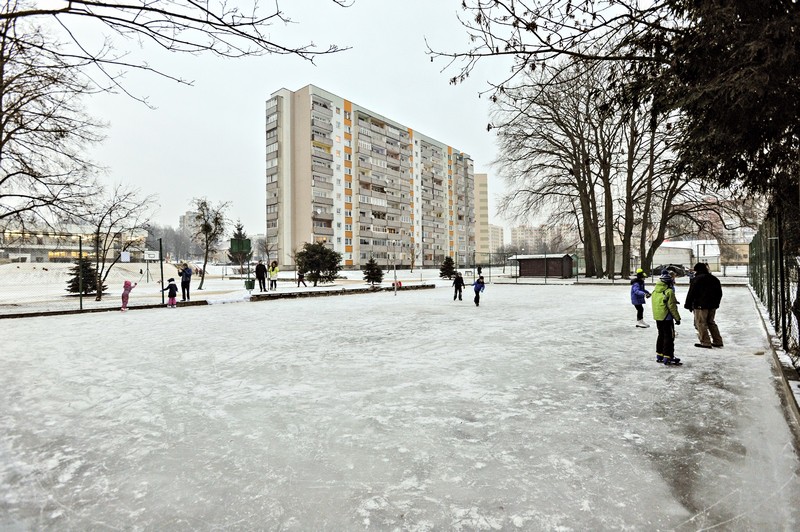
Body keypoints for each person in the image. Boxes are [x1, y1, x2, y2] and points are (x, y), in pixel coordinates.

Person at [684, 262, 724, 349]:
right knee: (711, 322)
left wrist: (688, 304)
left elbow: (692, 293)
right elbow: (719, 293)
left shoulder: (697, 279)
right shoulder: (714, 279)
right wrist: (716, 303)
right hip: (712, 305)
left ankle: (705, 342)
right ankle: (718, 340)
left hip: (700, 305)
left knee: (701, 323)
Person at [652, 270, 682, 365]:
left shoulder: (655, 290)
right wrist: (677, 318)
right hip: (667, 317)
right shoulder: (669, 291)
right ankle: (668, 356)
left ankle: (659, 354)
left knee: (661, 335)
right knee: (669, 337)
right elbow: (672, 307)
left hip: (658, 316)